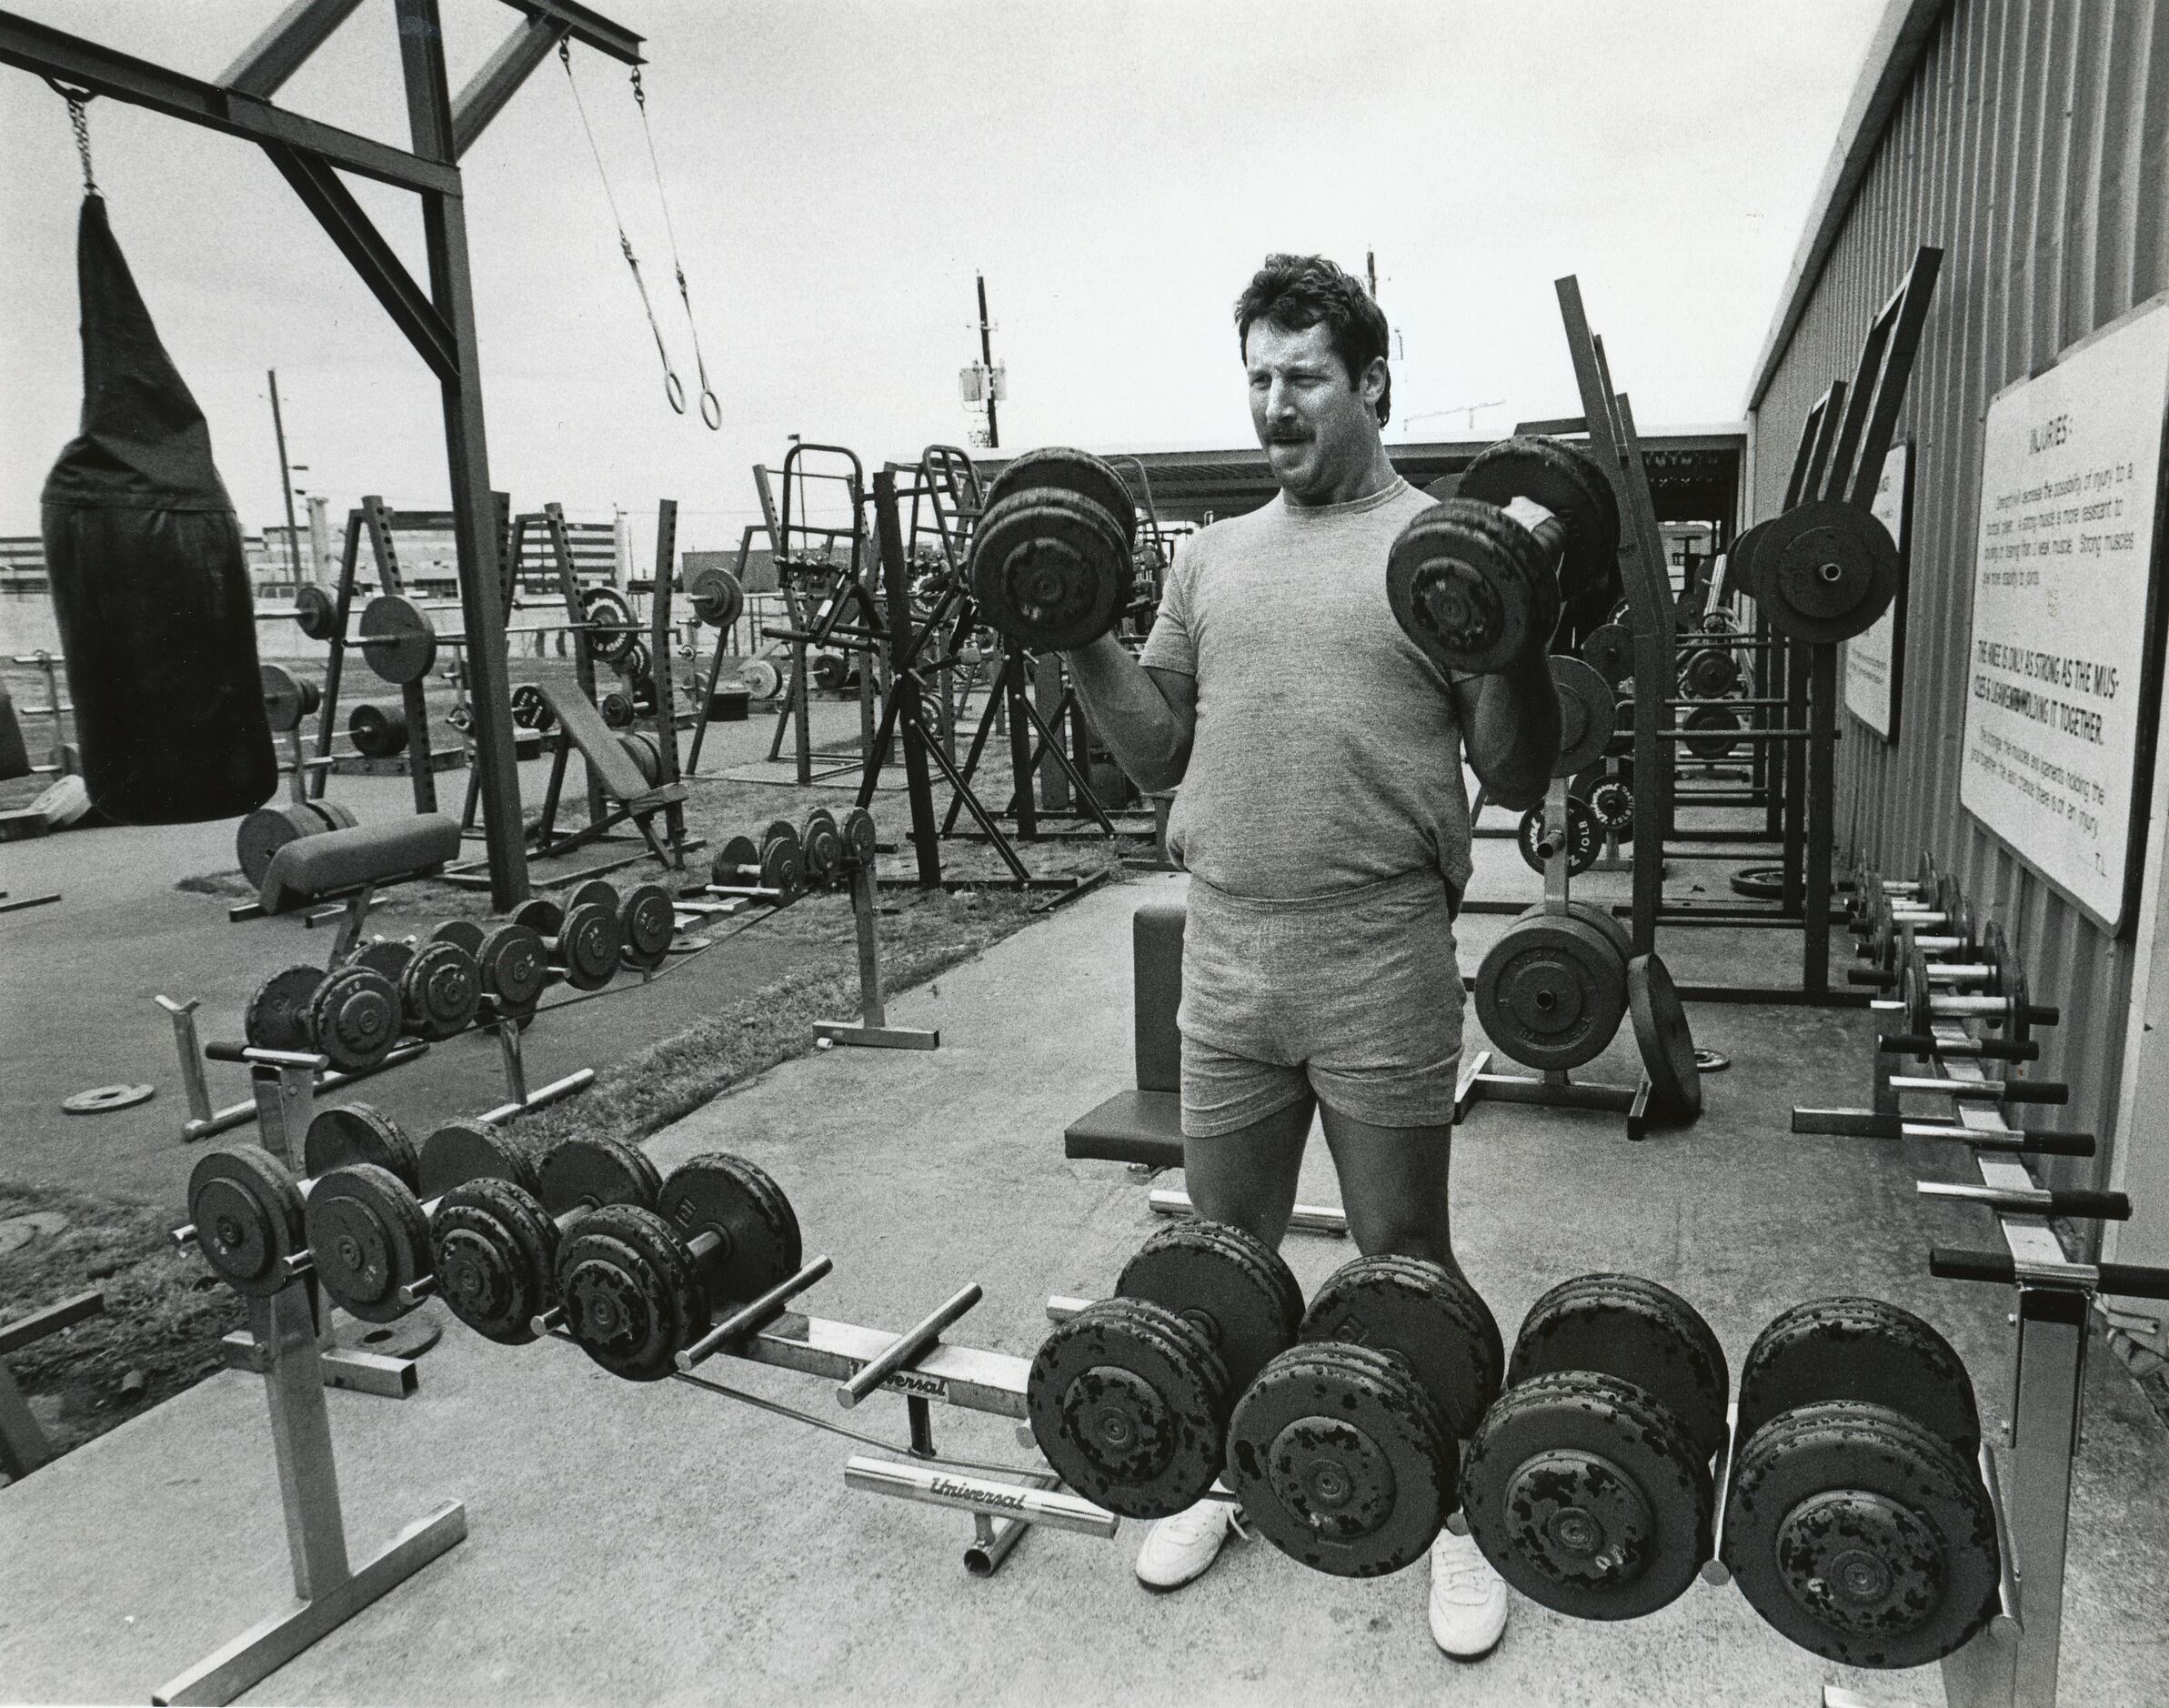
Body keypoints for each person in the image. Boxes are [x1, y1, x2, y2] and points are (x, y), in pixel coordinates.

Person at [1059, 254, 1561, 1660]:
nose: (1275, 405)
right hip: (1226, 956)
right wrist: (1071, 628)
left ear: (1371, 385)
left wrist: (1514, 634)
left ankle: (1459, 1513)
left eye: (1304, 378)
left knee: (1404, 1261)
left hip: (1377, 954)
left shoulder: (1435, 547)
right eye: (1259, 379)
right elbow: (1152, 749)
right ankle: (1227, 1470)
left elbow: (1513, 769)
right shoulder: (1210, 558)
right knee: (1223, 1253)